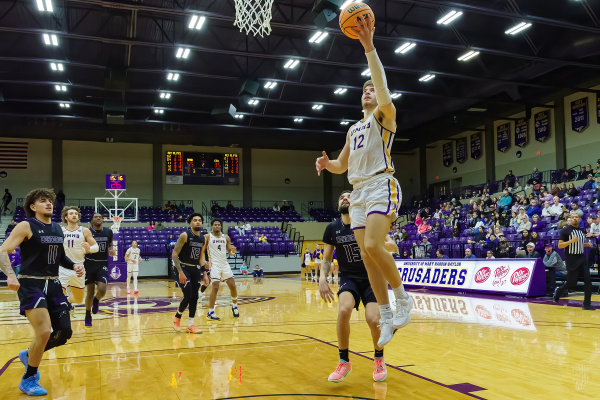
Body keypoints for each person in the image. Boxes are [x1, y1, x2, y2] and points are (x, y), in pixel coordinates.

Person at [315, 15, 412, 348]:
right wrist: (328, 165)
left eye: (373, 88)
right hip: (357, 192)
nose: (370, 91)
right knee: (368, 257)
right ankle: (385, 314)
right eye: (366, 90)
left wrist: (369, 47)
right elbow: (343, 164)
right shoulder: (353, 129)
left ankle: (402, 299)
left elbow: (382, 86)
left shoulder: (384, 118)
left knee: (372, 246)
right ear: (360, 99)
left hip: (381, 184)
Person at [0, 188, 84, 395]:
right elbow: (3, 250)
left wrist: (73, 265)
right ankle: (29, 379)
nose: (48, 204)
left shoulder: (57, 228)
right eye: (43, 201)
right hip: (31, 284)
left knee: (63, 333)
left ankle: (29, 354)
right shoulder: (26, 225)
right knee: (44, 331)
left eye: (50, 201)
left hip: (53, 284)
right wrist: (10, 275)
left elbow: (61, 256)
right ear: (33, 206)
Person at [320, 191, 398, 383]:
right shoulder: (332, 228)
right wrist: (322, 278)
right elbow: (327, 258)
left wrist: (387, 245)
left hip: (373, 277)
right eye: (341, 197)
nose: (345, 198)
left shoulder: (367, 224)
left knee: (372, 320)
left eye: (349, 196)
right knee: (344, 310)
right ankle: (344, 361)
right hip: (349, 278)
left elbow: (391, 244)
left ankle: (379, 359)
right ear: (338, 205)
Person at [171, 213, 208, 334]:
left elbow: (201, 258)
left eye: (199, 220)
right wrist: (180, 271)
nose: (197, 222)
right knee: (188, 295)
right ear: (190, 223)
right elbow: (174, 254)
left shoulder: (203, 238)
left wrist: (205, 273)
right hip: (182, 268)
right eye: (195, 220)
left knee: (195, 297)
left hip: (195, 269)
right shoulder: (185, 235)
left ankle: (190, 325)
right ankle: (177, 317)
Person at [59, 206, 98, 315]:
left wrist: (89, 248)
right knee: (58, 294)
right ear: (66, 217)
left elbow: (96, 247)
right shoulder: (60, 230)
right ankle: (62, 309)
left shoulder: (84, 230)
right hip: (62, 267)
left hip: (79, 268)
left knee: (79, 299)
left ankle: (68, 302)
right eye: (71, 213)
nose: (74, 215)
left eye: (76, 214)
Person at [554, 213, 595, 309]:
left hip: (581, 257)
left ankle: (587, 304)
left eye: (577, 217)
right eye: (573, 217)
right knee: (572, 283)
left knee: (588, 280)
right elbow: (560, 245)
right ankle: (559, 290)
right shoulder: (565, 230)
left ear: (579, 219)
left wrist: (586, 245)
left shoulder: (581, 231)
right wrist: (571, 241)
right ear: (570, 219)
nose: (575, 218)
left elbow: (579, 243)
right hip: (571, 259)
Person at [201, 219, 239, 321]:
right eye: (215, 225)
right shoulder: (207, 237)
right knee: (215, 286)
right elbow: (202, 250)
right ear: (212, 226)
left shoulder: (226, 237)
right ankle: (211, 312)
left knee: (233, 285)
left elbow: (230, 252)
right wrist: (204, 261)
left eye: (218, 225)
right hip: (214, 264)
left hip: (224, 264)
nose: (217, 226)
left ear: (221, 226)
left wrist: (233, 252)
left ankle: (234, 305)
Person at [83, 213, 114, 329]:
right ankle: (87, 315)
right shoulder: (87, 232)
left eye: (100, 217)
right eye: (96, 217)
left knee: (102, 290)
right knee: (89, 292)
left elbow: (110, 244)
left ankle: (96, 300)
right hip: (89, 262)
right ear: (92, 220)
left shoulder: (108, 232)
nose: (98, 218)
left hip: (102, 263)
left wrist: (111, 250)